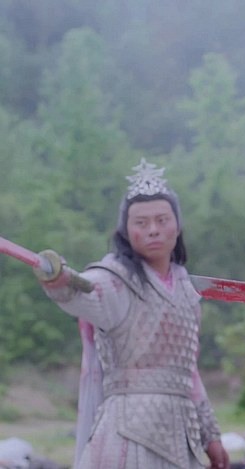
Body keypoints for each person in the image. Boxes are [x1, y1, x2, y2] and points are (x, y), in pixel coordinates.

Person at [34, 158, 229, 469]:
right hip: (126, 435)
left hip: (183, 434)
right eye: (141, 223)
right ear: (126, 231)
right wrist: (60, 280)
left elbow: (188, 373)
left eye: (162, 220)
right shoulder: (114, 279)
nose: (153, 230)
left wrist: (211, 436)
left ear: (177, 226)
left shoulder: (186, 290)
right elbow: (84, 292)